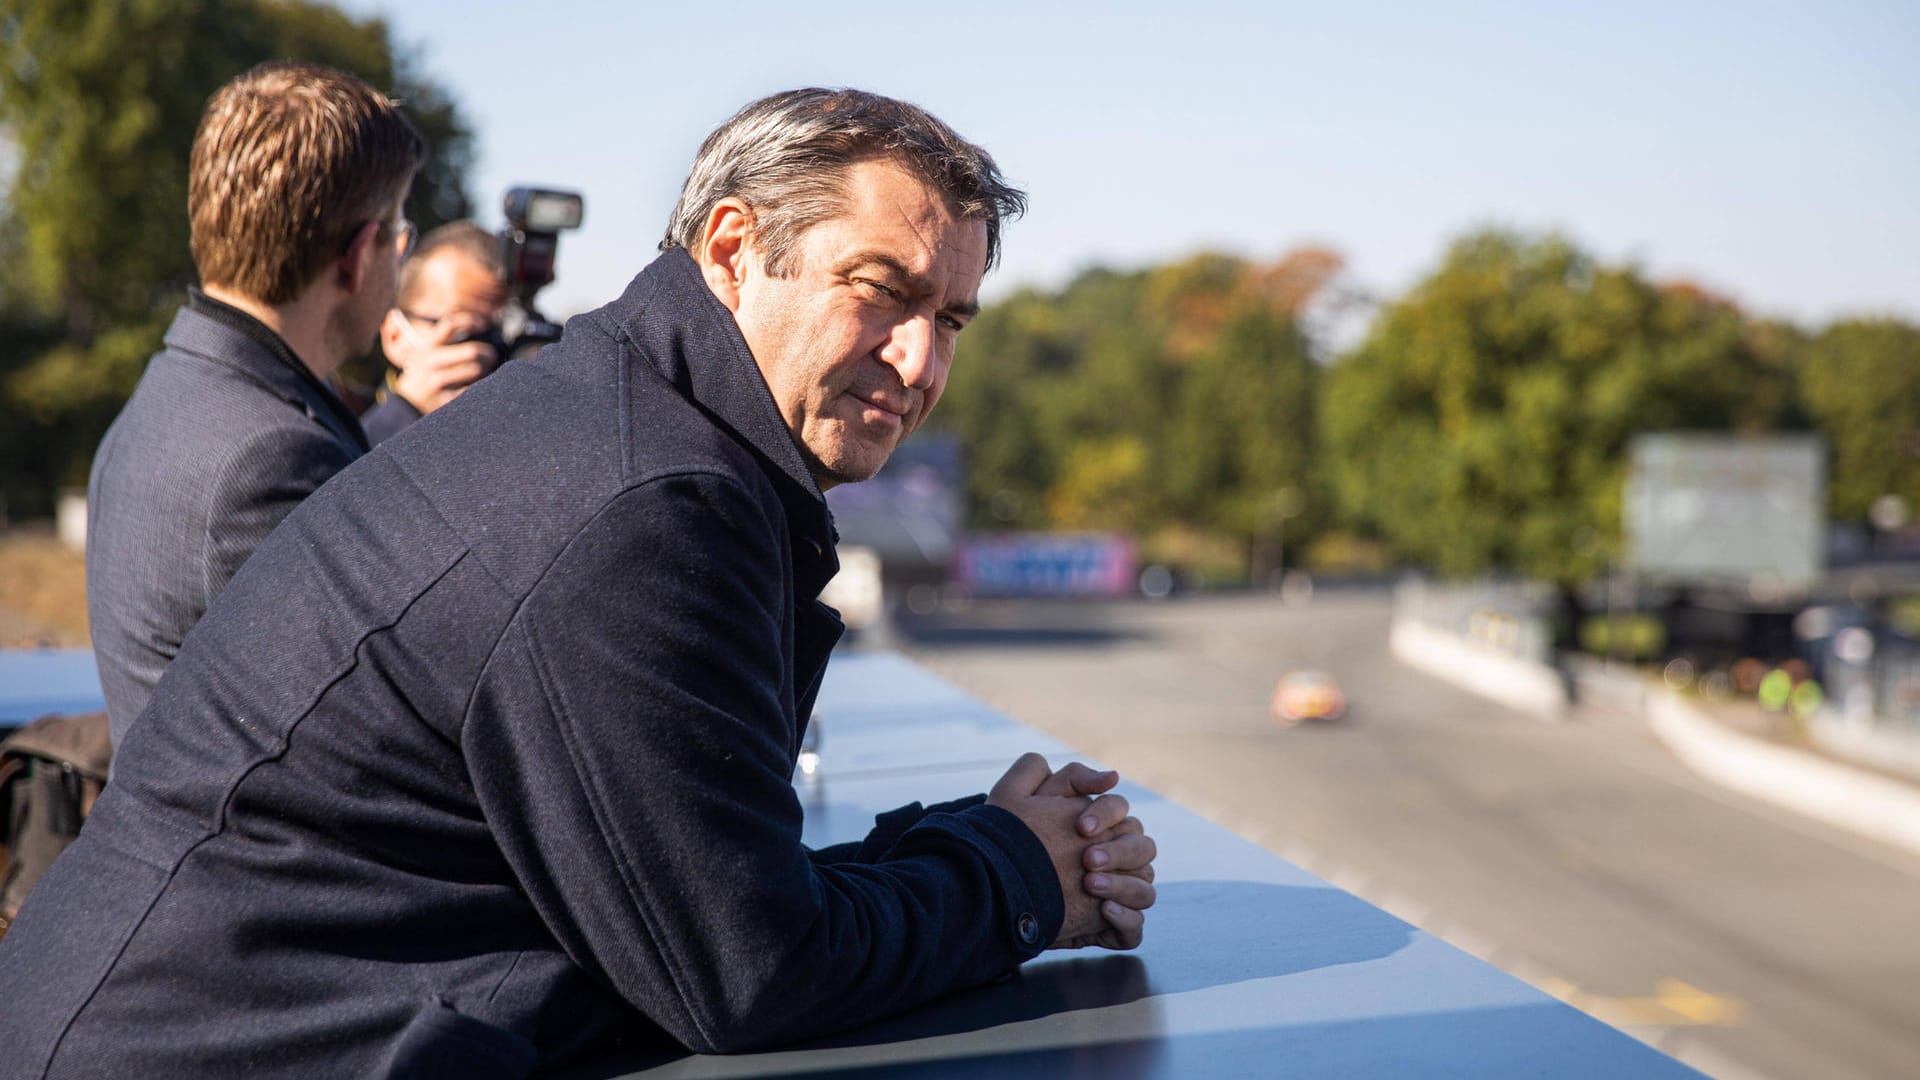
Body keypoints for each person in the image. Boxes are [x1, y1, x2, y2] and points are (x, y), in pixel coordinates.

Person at [0, 88, 1157, 1076]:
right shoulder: (644, 501)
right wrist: (1019, 877)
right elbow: (748, 971)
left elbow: (684, 889)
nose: (920, 362)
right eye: (881, 289)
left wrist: (980, 843)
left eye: (950, 317)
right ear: (730, 251)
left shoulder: (623, 420)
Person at [85, 61, 424, 750]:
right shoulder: (272, 457)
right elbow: (368, 740)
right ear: (358, 257)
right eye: (398, 230)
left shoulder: (175, 389)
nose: (401, 255)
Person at [360, 220, 511, 444]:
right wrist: (406, 410)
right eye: (465, 332)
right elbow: (342, 477)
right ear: (395, 336)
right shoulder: (334, 427)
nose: (488, 353)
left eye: (500, 333)